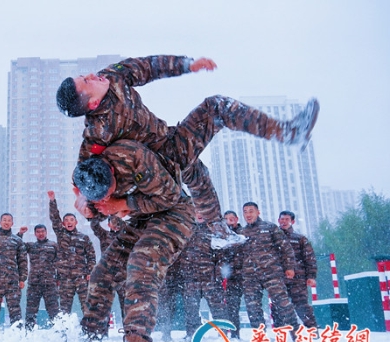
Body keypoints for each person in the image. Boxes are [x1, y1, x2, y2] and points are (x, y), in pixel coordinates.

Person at [57, 54, 320, 233]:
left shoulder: (112, 77)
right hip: (155, 166)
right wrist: (84, 202)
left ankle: (218, 230)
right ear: (92, 104)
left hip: (170, 140)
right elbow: (89, 180)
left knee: (198, 172)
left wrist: (187, 65)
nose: (93, 75)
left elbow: (149, 66)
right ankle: (289, 134)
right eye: (87, 82)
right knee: (215, 109)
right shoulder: (97, 134)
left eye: (85, 75)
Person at [72, 139, 195, 342]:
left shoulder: (136, 159)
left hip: (175, 214)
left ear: (111, 173)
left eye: (108, 194)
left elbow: (170, 196)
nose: (106, 199)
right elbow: (102, 209)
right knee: (103, 274)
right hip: (142, 218)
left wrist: (123, 203)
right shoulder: (90, 174)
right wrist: (90, 211)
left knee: (142, 265)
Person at [238, 202, 299, 332]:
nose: (248, 214)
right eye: (245, 211)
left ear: (258, 212)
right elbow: (237, 256)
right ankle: (259, 337)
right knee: (252, 307)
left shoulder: (270, 227)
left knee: (283, 304)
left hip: (272, 273)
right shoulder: (241, 233)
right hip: (250, 277)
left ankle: (297, 334)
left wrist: (289, 267)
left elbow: (285, 248)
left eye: (251, 211)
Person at [48, 190, 96, 315]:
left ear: (76, 222)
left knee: (86, 306)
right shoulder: (61, 234)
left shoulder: (84, 238)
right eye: (67, 220)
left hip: (81, 277)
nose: (69, 222)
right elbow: (54, 218)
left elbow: (91, 256)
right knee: (64, 309)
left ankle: (89, 332)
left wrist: (90, 272)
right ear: (63, 224)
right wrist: (52, 201)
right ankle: (64, 333)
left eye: (71, 220)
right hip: (65, 278)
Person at [181, 213, 228, 340]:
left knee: (217, 307)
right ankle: (192, 334)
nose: (199, 215)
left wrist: (217, 275)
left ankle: (223, 333)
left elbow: (222, 255)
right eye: (196, 211)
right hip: (191, 279)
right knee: (191, 308)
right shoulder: (186, 229)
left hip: (210, 279)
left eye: (202, 211)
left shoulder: (214, 230)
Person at [271, 210, 318, 328]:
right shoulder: (273, 239)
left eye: (287, 219)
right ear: (278, 221)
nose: (284, 222)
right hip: (279, 278)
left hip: (298, 278)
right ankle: (280, 333)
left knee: (301, 305)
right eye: (282, 219)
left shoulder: (300, 239)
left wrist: (311, 276)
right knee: (278, 305)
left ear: (292, 222)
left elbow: (310, 258)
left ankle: (312, 329)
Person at [18, 224, 60, 330]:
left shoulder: (54, 246)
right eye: (38, 232)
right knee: (30, 313)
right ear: (35, 233)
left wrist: (59, 279)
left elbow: (60, 263)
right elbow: (17, 245)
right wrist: (20, 234)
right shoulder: (31, 246)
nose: (40, 234)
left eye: (42, 231)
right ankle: (29, 334)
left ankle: (59, 335)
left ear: (46, 232)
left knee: (54, 312)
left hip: (50, 284)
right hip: (34, 284)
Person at [89, 215, 126, 329]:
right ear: (108, 224)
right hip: (107, 276)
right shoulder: (104, 235)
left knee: (126, 305)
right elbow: (94, 225)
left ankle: (128, 331)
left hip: (124, 276)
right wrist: (101, 212)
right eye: (113, 222)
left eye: (118, 222)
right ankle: (103, 330)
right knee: (104, 305)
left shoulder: (127, 236)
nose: (116, 225)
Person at [216, 210, 245, 339]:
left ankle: (237, 333)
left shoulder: (244, 233)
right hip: (226, 277)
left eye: (231, 219)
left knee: (242, 306)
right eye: (226, 219)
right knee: (226, 307)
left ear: (237, 219)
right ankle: (227, 333)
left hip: (243, 276)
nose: (228, 221)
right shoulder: (220, 235)